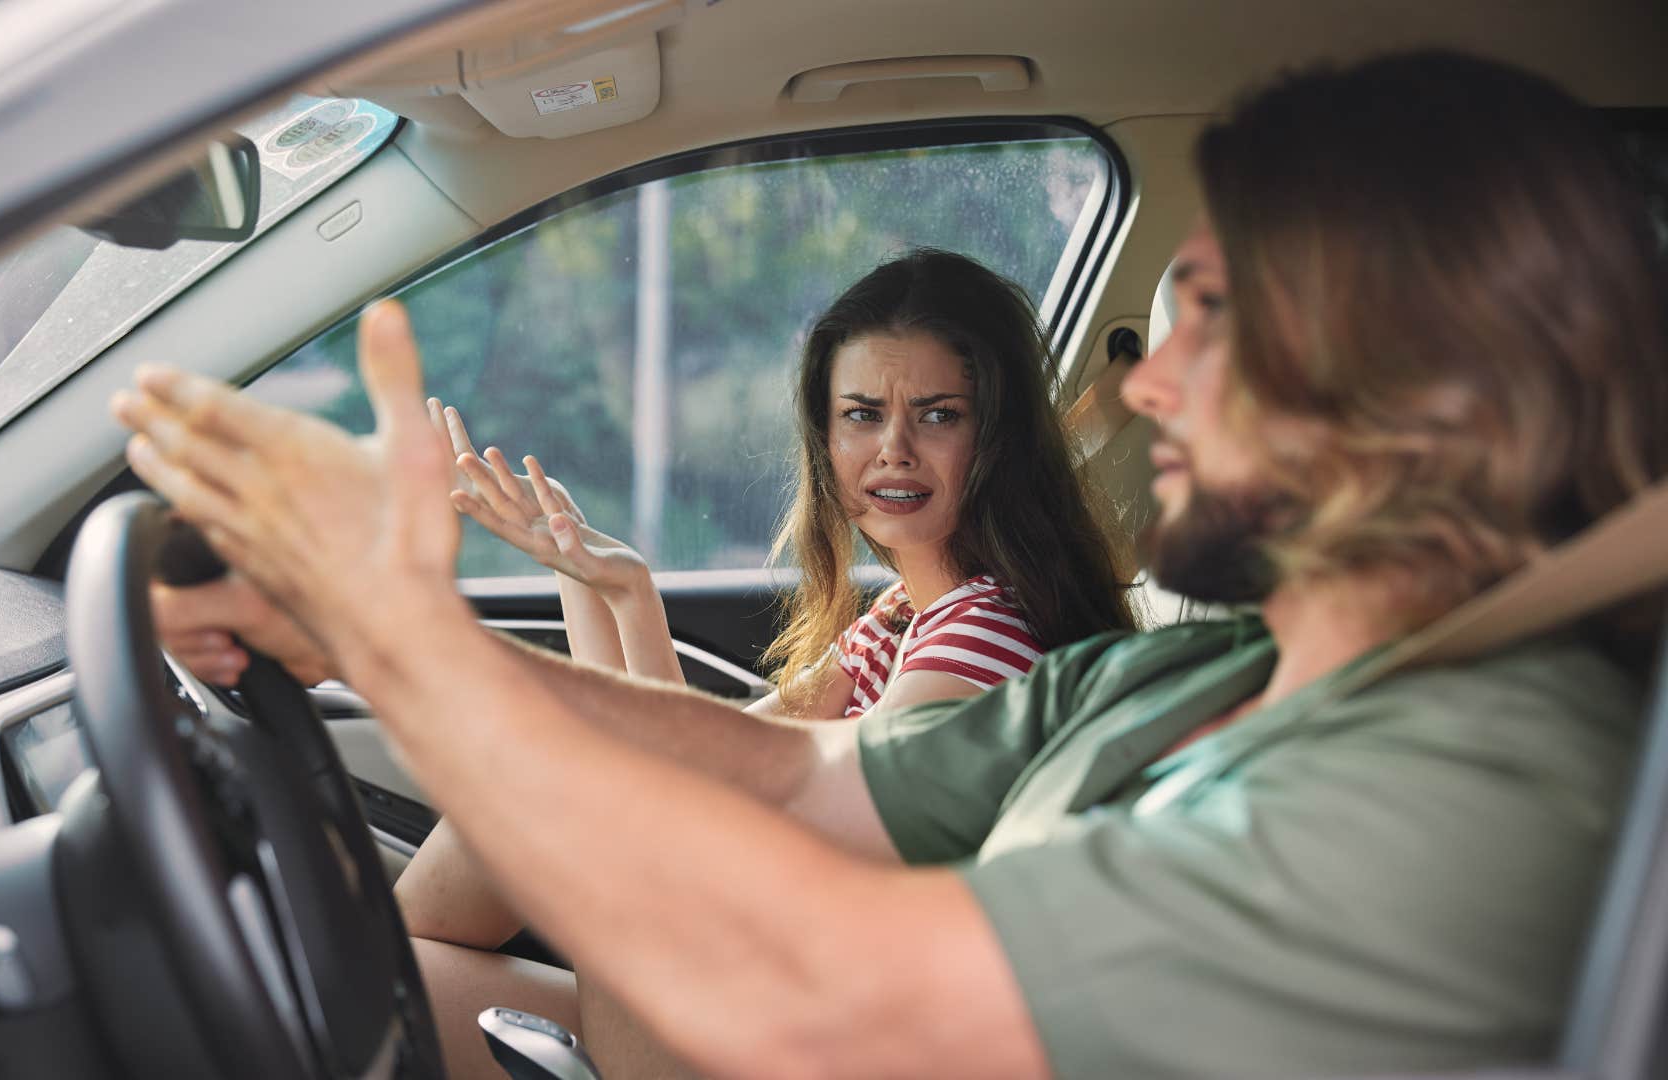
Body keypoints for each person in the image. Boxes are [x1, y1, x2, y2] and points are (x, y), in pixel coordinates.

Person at [115, 50, 1668, 1079]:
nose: (1141, 384)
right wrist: (353, 628)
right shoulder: (1185, 671)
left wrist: (405, 647)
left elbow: (835, 993)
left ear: (1410, 376)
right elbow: (797, 783)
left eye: (1211, 320)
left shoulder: (1490, 778)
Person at [424, 248, 1134, 716]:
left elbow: (720, 786)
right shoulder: (902, 616)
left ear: (997, 436)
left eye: (939, 415)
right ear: (825, 438)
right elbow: (722, 759)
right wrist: (581, 570)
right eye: (861, 415)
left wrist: (632, 596)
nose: (894, 449)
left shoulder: (981, 638)